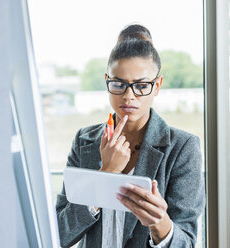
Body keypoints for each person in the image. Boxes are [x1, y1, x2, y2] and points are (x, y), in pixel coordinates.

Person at [56, 24, 205, 248]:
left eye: (141, 85)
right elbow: (57, 235)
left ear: (157, 86)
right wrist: (105, 174)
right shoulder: (84, 141)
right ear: (107, 81)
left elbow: (187, 242)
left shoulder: (182, 147)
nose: (129, 96)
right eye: (119, 84)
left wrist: (160, 224)